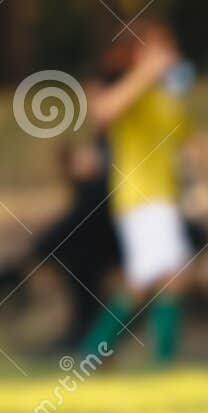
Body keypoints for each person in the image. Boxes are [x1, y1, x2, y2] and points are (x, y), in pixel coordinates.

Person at [82, 21, 194, 365]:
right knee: (172, 274)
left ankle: (93, 355)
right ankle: (162, 363)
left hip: (166, 197)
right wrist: (144, 74)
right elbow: (102, 112)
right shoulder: (132, 92)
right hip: (140, 198)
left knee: (144, 281)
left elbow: (189, 145)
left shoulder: (168, 100)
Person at [0, 139, 119, 352]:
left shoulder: (101, 187)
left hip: (103, 252)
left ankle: (92, 342)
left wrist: (38, 251)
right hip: (86, 256)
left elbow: (71, 226)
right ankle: (87, 340)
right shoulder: (86, 191)